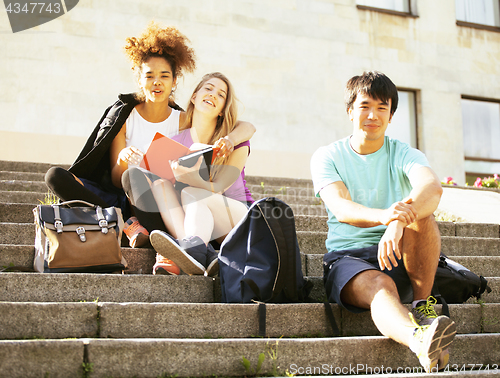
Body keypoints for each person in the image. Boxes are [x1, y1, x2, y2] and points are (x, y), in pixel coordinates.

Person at [44, 23, 256, 275]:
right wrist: (123, 158)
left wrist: (231, 139)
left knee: (155, 183)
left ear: (175, 81)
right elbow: (115, 178)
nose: (156, 82)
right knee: (61, 176)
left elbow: (238, 124)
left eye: (164, 76)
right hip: (128, 193)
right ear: (139, 78)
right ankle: (128, 225)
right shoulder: (124, 116)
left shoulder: (182, 119)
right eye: (149, 76)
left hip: (162, 196)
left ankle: (178, 244)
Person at [310, 71, 456, 373]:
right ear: (350, 111)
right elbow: (341, 207)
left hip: (400, 253)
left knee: (422, 217)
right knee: (380, 284)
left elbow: (432, 189)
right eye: (365, 106)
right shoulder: (327, 156)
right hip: (347, 259)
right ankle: (419, 339)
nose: (373, 115)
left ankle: (421, 306)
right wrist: (387, 216)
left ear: (391, 116)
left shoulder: (404, 153)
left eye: (382, 108)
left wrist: (398, 223)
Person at [148, 72, 254, 277]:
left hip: (239, 218)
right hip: (203, 222)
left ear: (223, 110)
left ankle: (193, 250)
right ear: (194, 97)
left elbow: (221, 187)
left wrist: (191, 179)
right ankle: (194, 250)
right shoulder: (176, 142)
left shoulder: (234, 140)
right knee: (159, 184)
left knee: (191, 192)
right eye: (208, 88)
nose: (213, 94)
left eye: (221, 95)